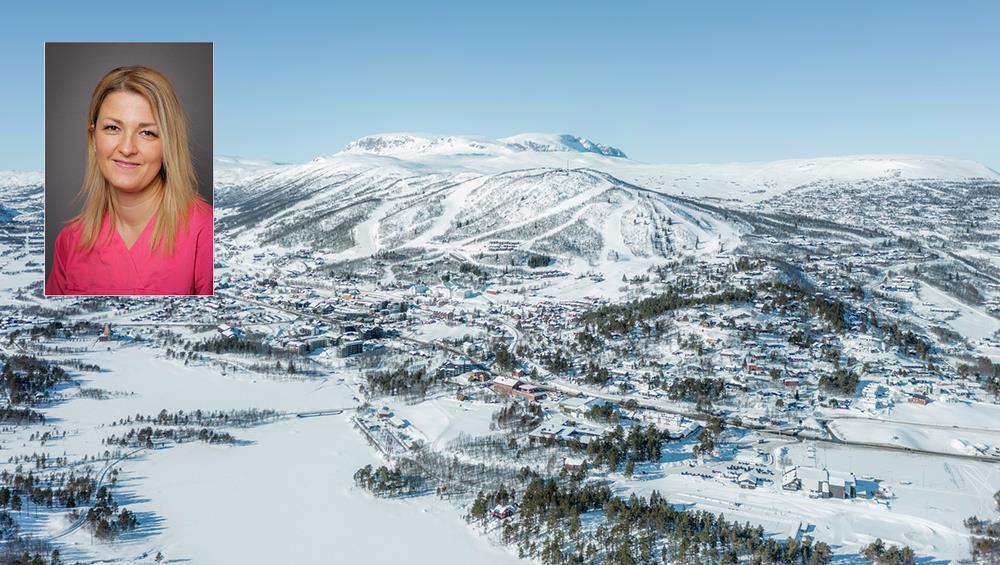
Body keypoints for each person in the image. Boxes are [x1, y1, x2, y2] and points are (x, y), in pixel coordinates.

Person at [46, 66, 212, 296]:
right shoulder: (70, 241)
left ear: (168, 145)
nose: (126, 148)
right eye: (113, 128)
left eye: (147, 133)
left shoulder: (207, 234)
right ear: (93, 138)